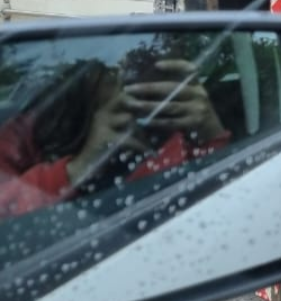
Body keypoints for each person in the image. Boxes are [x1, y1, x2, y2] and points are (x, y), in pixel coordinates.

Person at [0, 54, 229, 219]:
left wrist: (210, 133)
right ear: (88, 76)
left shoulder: (181, 139)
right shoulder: (29, 133)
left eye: (157, 72)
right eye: (120, 70)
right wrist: (80, 167)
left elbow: (225, 209)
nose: (140, 86)